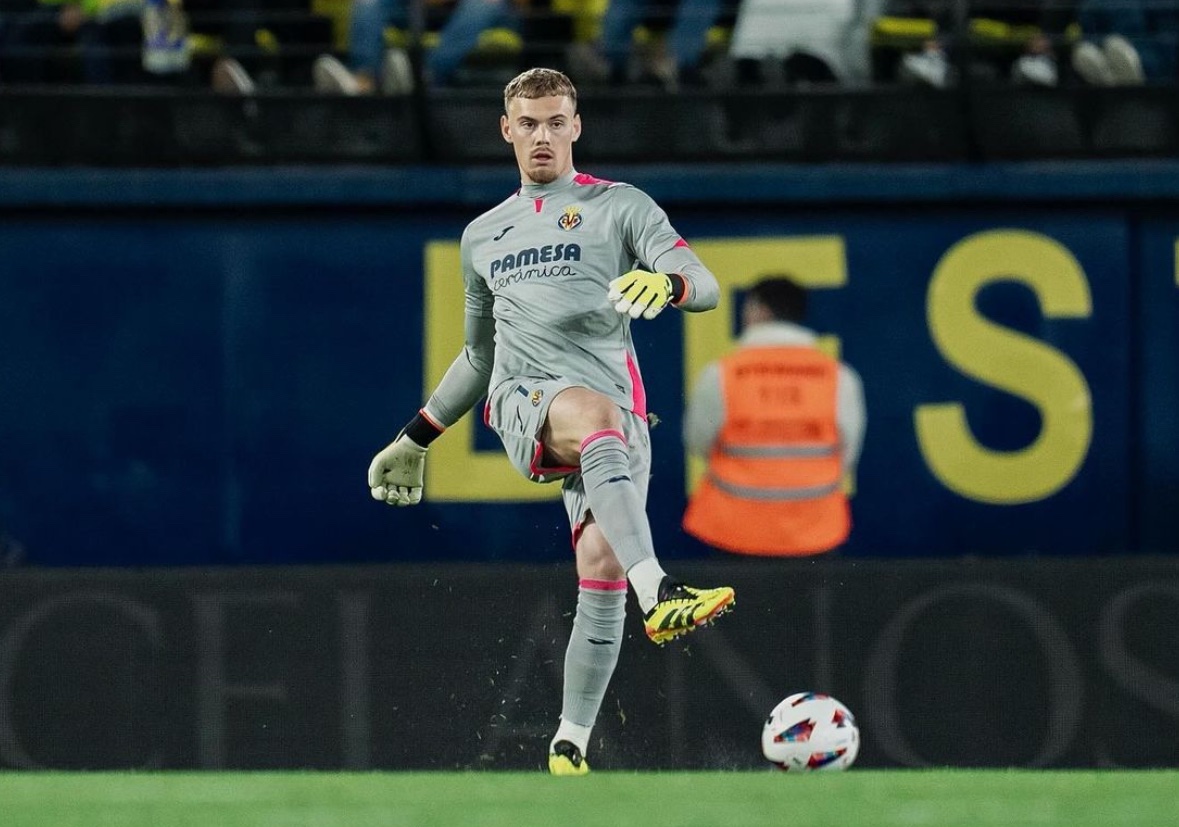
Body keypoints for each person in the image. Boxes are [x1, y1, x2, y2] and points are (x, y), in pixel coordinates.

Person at [366, 67, 735, 775]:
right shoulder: (483, 235)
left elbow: (707, 287)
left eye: (556, 122)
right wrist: (416, 434)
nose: (542, 135)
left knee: (601, 568)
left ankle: (569, 744)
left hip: (616, 419)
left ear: (576, 126)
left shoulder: (620, 206)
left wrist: (667, 282)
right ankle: (660, 589)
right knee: (593, 421)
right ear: (506, 129)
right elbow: (480, 357)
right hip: (527, 398)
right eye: (529, 123)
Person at [682, 275, 866, 557]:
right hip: (816, 531)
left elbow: (697, 441)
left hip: (733, 529)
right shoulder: (839, 376)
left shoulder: (721, 374)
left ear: (759, 309)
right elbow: (847, 453)